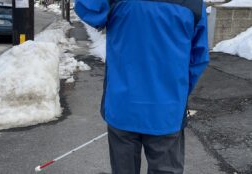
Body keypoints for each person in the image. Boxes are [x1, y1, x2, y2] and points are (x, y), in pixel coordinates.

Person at [75, 0, 209, 173]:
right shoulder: (194, 3)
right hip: (166, 110)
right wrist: (177, 94)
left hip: (123, 106)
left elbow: (87, 7)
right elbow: (198, 58)